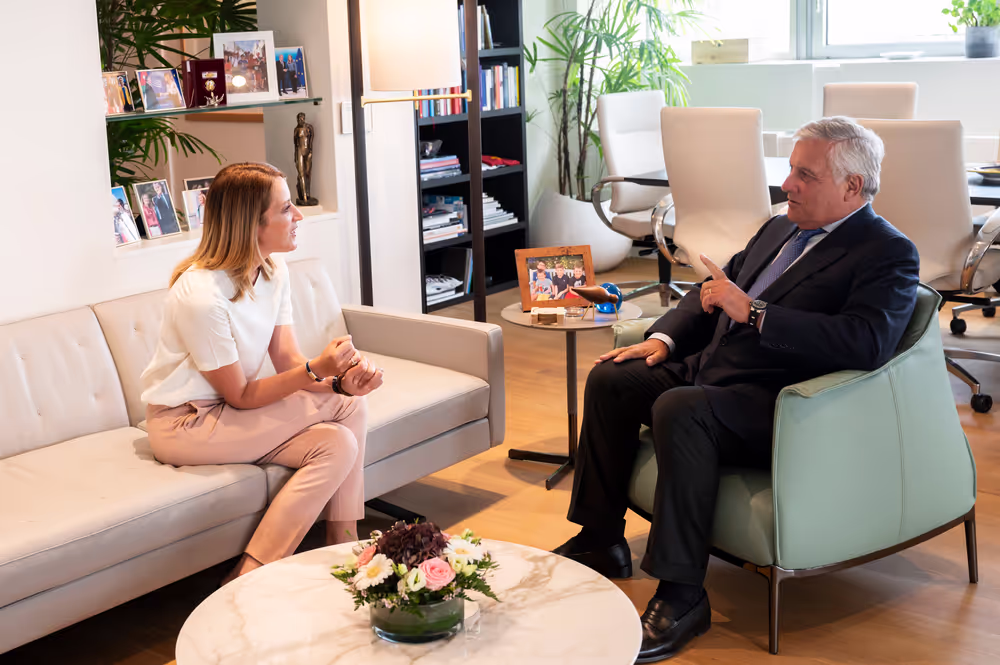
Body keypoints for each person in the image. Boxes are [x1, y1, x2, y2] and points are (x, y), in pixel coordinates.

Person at [553, 116, 919, 662]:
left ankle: (682, 596)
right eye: (791, 170)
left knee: (681, 409)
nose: (788, 185)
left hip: (780, 403)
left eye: (805, 175)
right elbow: (713, 289)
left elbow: (866, 342)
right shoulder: (778, 228)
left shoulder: (887, 251)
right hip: (711, 371)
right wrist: (663, 340)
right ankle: (600, 539)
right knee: (612, 378)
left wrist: (758, 313)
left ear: (852, 187)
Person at [141, 162, 384, 586]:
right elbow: (241, 394)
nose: (299, 216)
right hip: (186, 424)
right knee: (346, 407)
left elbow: (287, 358)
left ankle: (310, 555)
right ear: (251, 223)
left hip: (230, 414)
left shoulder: (273, 269)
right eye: (287, 209)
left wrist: (338, 381)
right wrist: (321, 372)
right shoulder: (201, 295)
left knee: (339, 439)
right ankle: (298, 563)